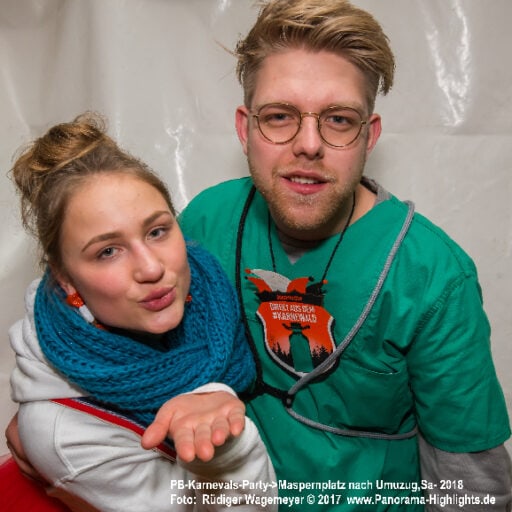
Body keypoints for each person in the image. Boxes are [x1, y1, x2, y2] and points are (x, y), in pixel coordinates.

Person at [6, 0, 512, 510]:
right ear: (245, 127)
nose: (308, 144)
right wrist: (53, 414)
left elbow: (473, 485)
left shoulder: (431, 275)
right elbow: (112, 318)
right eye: (279, 117)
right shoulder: (208, 221)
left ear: (369, 136)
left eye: (339, 119)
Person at [6, 112, 277, 512]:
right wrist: (223, 448)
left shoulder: (211, 283)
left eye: (156, 231)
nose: (151, 268)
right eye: (108, 251)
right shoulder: (62, 434)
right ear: (65, 279)